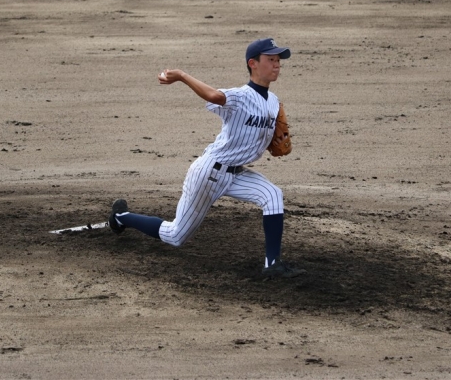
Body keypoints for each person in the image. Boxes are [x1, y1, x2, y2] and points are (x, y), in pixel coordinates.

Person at [109, 38, 305, 278]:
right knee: (176, 235)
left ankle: (272, 264)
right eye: (271, 59)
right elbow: (213, 96)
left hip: (237, 174)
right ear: (253, 63)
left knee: (272, 195)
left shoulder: (273, 102)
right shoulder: (240, 96)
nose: (277, 64)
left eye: (278, 60)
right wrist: (181, 75)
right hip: (209, 173)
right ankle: (121, 217)